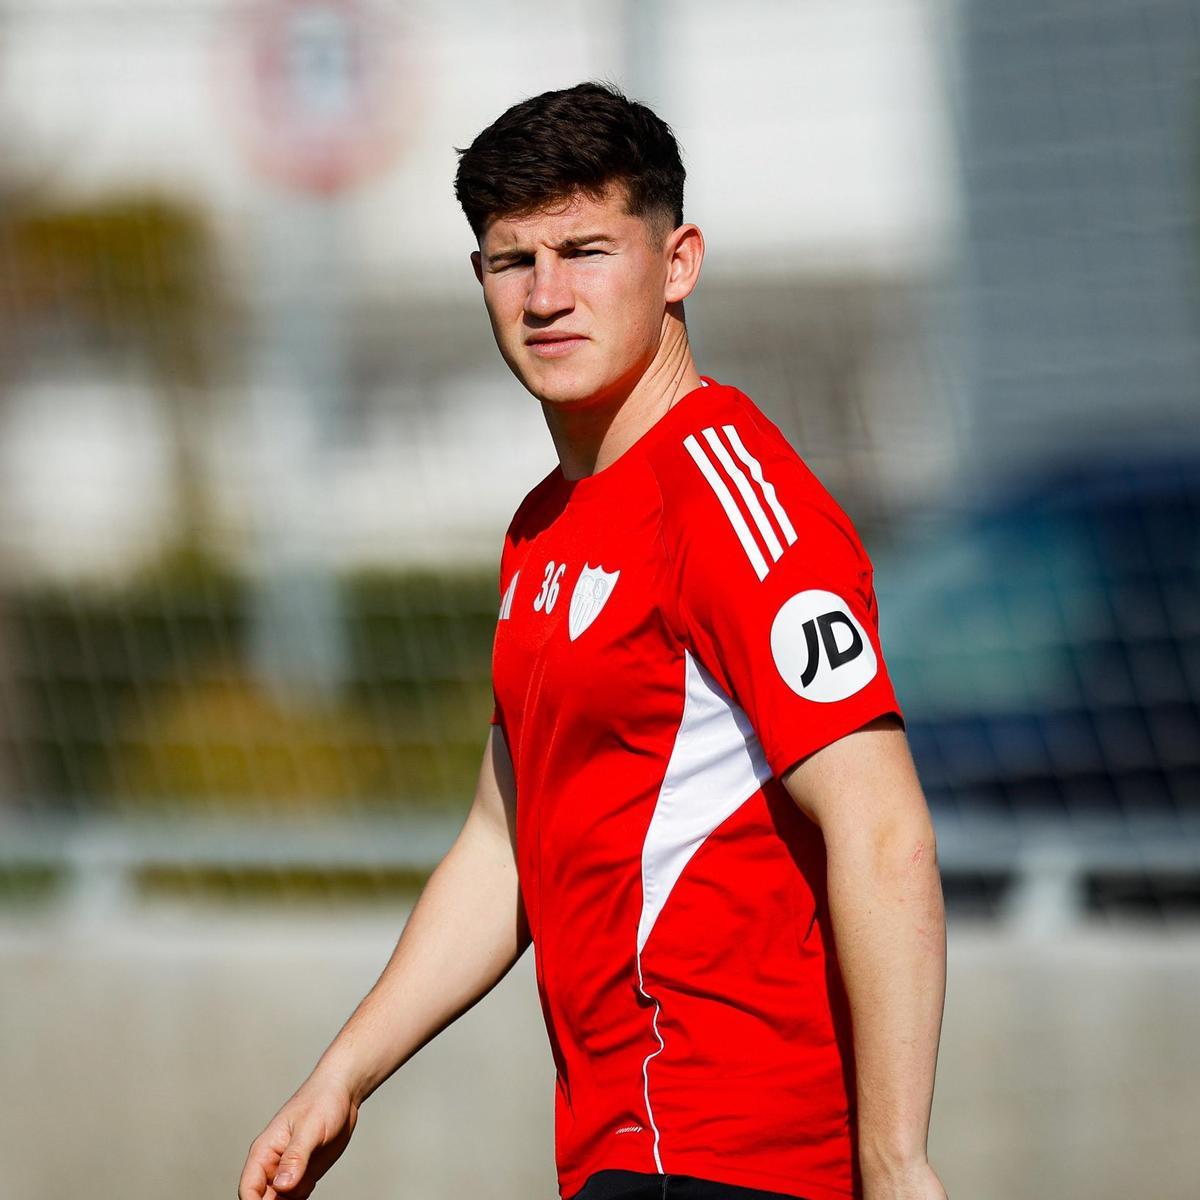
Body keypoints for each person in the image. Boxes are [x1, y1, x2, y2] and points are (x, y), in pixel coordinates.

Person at [238, 81, 947, 1200]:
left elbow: (885, 828)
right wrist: (344, 1076)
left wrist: (896, 1161)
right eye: (511, 261)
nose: (547, 296)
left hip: (737, 1154)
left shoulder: (734, 501)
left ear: (678, 265)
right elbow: (499, 847)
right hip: (622, 1149)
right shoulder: (542, 527)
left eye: (585, 249)